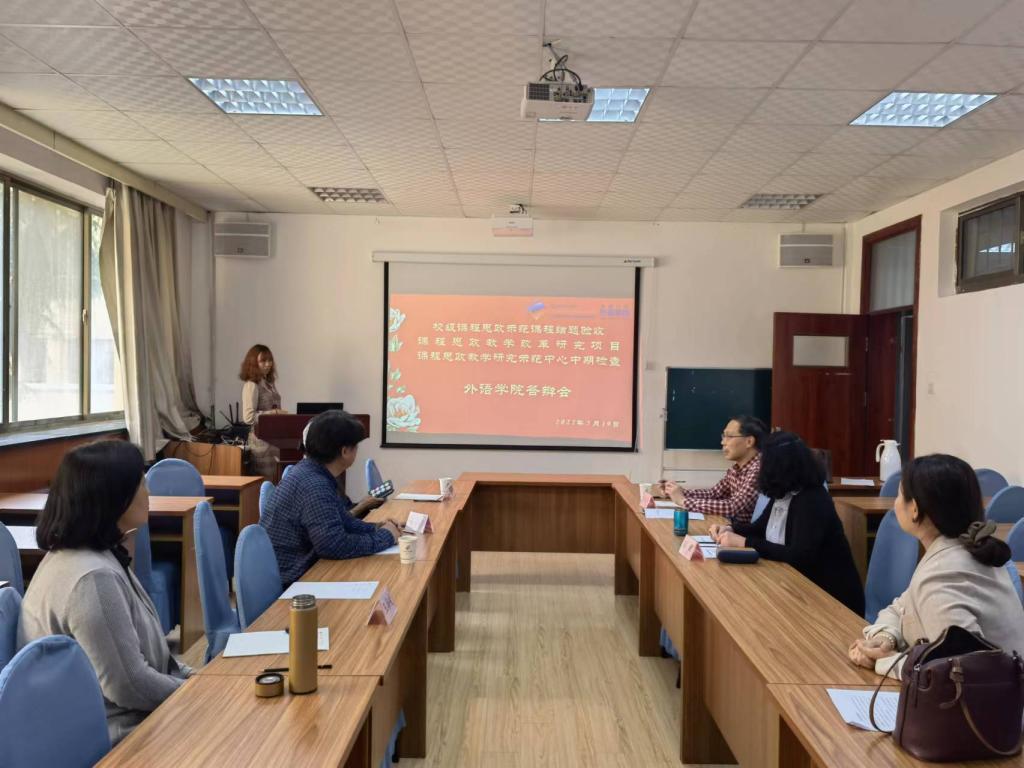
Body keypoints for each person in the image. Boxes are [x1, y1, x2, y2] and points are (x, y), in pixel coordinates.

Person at [18, 440, 189, 745]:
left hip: (134, 717)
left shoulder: (95, 554)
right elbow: (130, 686)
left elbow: (154, 659)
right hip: (116, 736)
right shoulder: (92, 578)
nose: (149, 492)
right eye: (141, 484)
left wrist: (200, 679)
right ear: (114, 498)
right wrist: (195, 693)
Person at [849, 454, 1024, 679]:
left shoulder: (943, 575)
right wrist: (886, 638)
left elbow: (961, 672)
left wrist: (885, 662)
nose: (895, 502)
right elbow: (900, 608)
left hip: (990, 698)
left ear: (915, 509)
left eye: (900, 494)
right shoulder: (958, 552)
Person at [710, 431, 864, 614]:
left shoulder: (812, 499)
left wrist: (744, 542)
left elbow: (798, 555)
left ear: (780, 466)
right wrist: (730, 528)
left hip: (830, 600)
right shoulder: (784, 491)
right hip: (793, 586)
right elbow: (759, 528)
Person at [262, 410, 401, 585]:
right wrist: (386, 537)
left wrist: (377, 528)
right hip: (293, 581)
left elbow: (343, 521)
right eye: (356, 446)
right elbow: (334, 545)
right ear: (345, 451)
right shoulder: (314, 485)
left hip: (302, 569)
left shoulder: (311, 472)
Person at [661, 415, 766, 523]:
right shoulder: (737, 468)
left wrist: (683, 501)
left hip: (744, 532)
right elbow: (713, 494)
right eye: (723, 436)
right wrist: (677, 491)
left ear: (749, 442)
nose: (723, 442)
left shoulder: (759, 469)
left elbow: (733, 507)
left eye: (729, 436)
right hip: (730, 528)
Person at [239, 343, 286, 479]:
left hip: (274, 441)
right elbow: (248, 417)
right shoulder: (251, 385)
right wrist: (273, 413)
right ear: (253, 363)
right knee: (267, 482)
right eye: (263, 361)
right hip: (261, 444)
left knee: (277, 481)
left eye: (270, 360)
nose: (268, 364)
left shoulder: (269, 383)